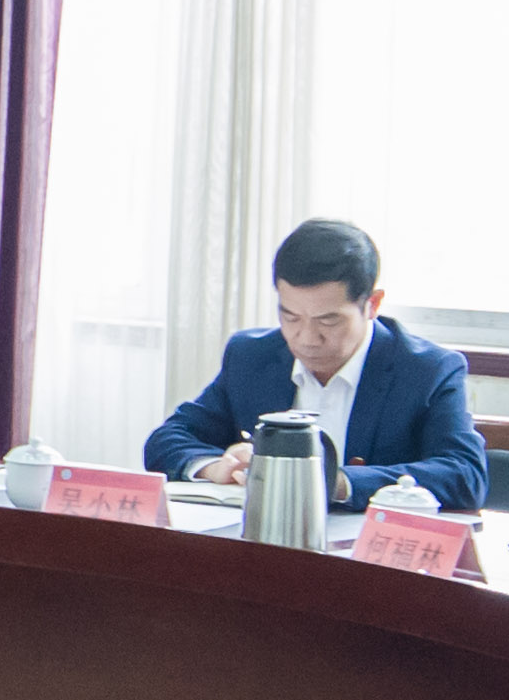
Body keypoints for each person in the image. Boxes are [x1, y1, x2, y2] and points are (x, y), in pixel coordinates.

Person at [139, 217, 488, 507]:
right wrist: (216, 466)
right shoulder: (252, 356)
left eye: (328, 320)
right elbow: (168, 438)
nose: (306, 338)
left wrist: (336, 483)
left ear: (372, 304)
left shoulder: (427, 370)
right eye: (290, 317)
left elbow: (465, 474)